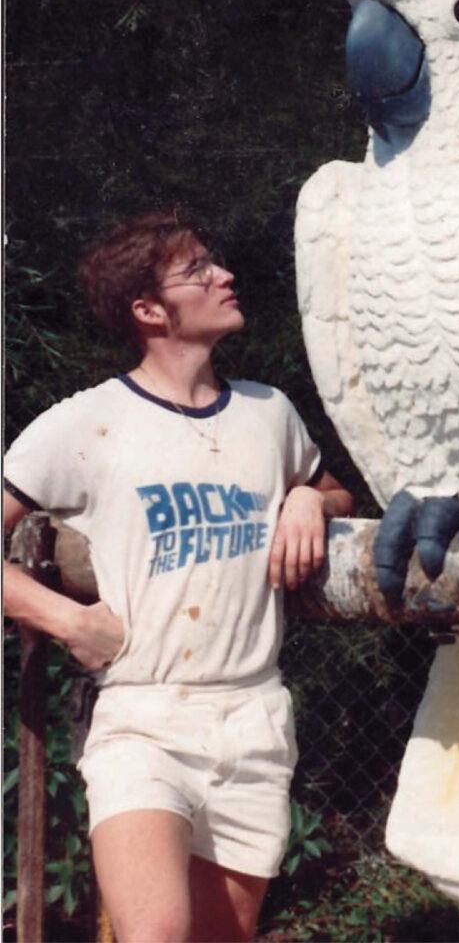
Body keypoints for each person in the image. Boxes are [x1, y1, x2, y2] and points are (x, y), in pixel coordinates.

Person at [2, 209, 354, 942]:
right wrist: (65, 619)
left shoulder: (268, 412)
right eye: (197, 270)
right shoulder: (88, 422)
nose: (224, 275)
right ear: (148, 310)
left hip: (254, 717)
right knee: (157, 932)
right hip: (145, 719)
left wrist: (306, 501)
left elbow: (337, 494)